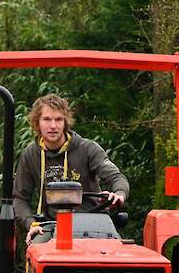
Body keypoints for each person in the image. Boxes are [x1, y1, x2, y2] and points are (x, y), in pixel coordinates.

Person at [12, 94, 130, 243]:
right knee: (38, 248)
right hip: (52, 224)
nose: (53, 126)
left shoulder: (88, 149)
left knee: (115, 251)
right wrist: (31, 223)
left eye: (58, 119)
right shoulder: (30, 154)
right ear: (37, 122)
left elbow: (116, 177)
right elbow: (20, 198)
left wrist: (119, 193)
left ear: (65, 122)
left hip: (93, 221)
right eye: (47, 119)